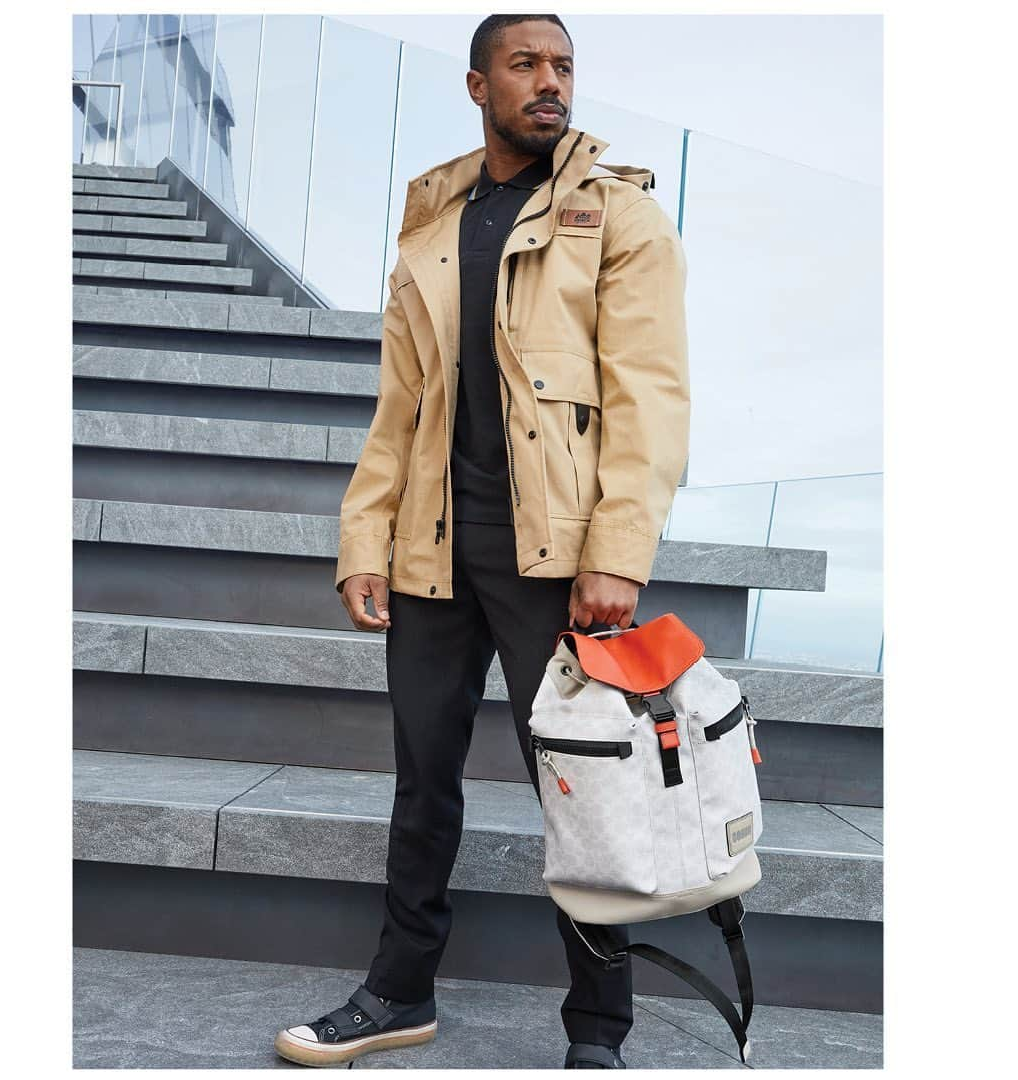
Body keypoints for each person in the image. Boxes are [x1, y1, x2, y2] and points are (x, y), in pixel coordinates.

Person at [275, 12, 689, 1070]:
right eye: (525, 65)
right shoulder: (435, 217)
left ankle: (598, 1031)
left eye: (562, 66)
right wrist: (363, 540)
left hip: (553, 558)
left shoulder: (621, 214)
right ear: (477, 85)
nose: (549, 83)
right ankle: (398, 992)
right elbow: (401, 406)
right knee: (424, 778)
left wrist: (619, 552)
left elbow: (650, 397)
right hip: (431, 548)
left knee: (583, 785)